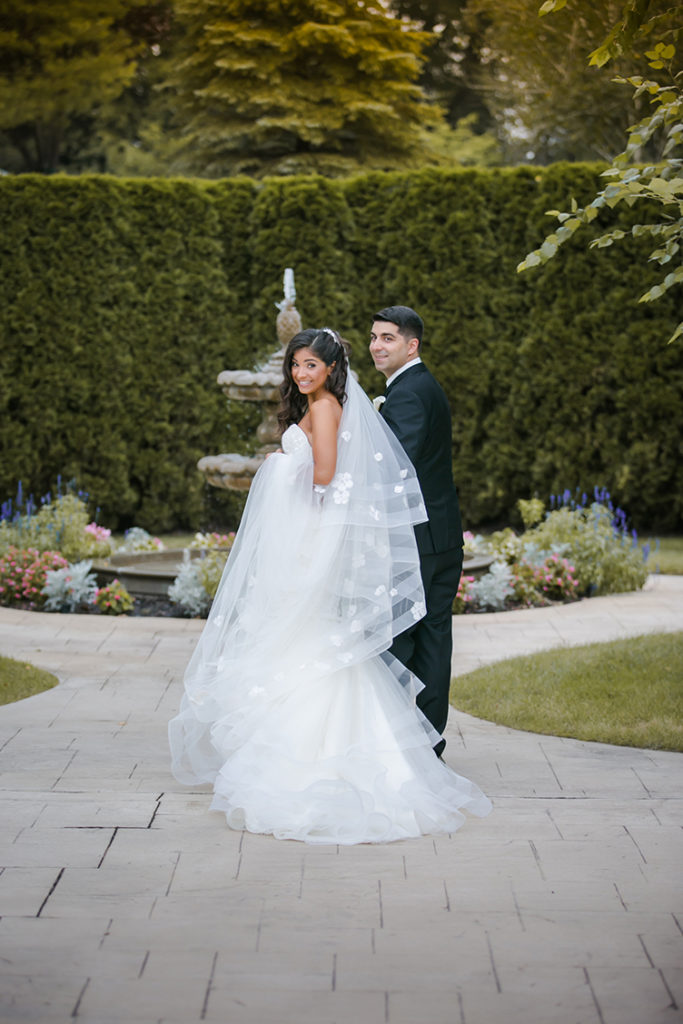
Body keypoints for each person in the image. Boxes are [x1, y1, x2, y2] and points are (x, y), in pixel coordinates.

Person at [169, 327, 491, 844]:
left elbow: (324, 477)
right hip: (307, 533)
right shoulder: (321, 405)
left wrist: (277, 468)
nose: (300, 373)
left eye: (310, 366)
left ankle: (315, 760)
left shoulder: (323, 410)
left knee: (308, 638)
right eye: (295, 365)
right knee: (309, 639)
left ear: (330, 369)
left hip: (311, 536)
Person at [370, 306, 463, 758]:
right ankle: (429, 740)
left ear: (412, 346)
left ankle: (395, 740)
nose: (376, 346)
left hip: (417, 540)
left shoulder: (406, 394)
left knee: (399, 638)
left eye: (388, 338)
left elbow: (393, 467)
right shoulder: (422, 386)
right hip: (442, 535)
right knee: (433, 638)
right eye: (373, 337)